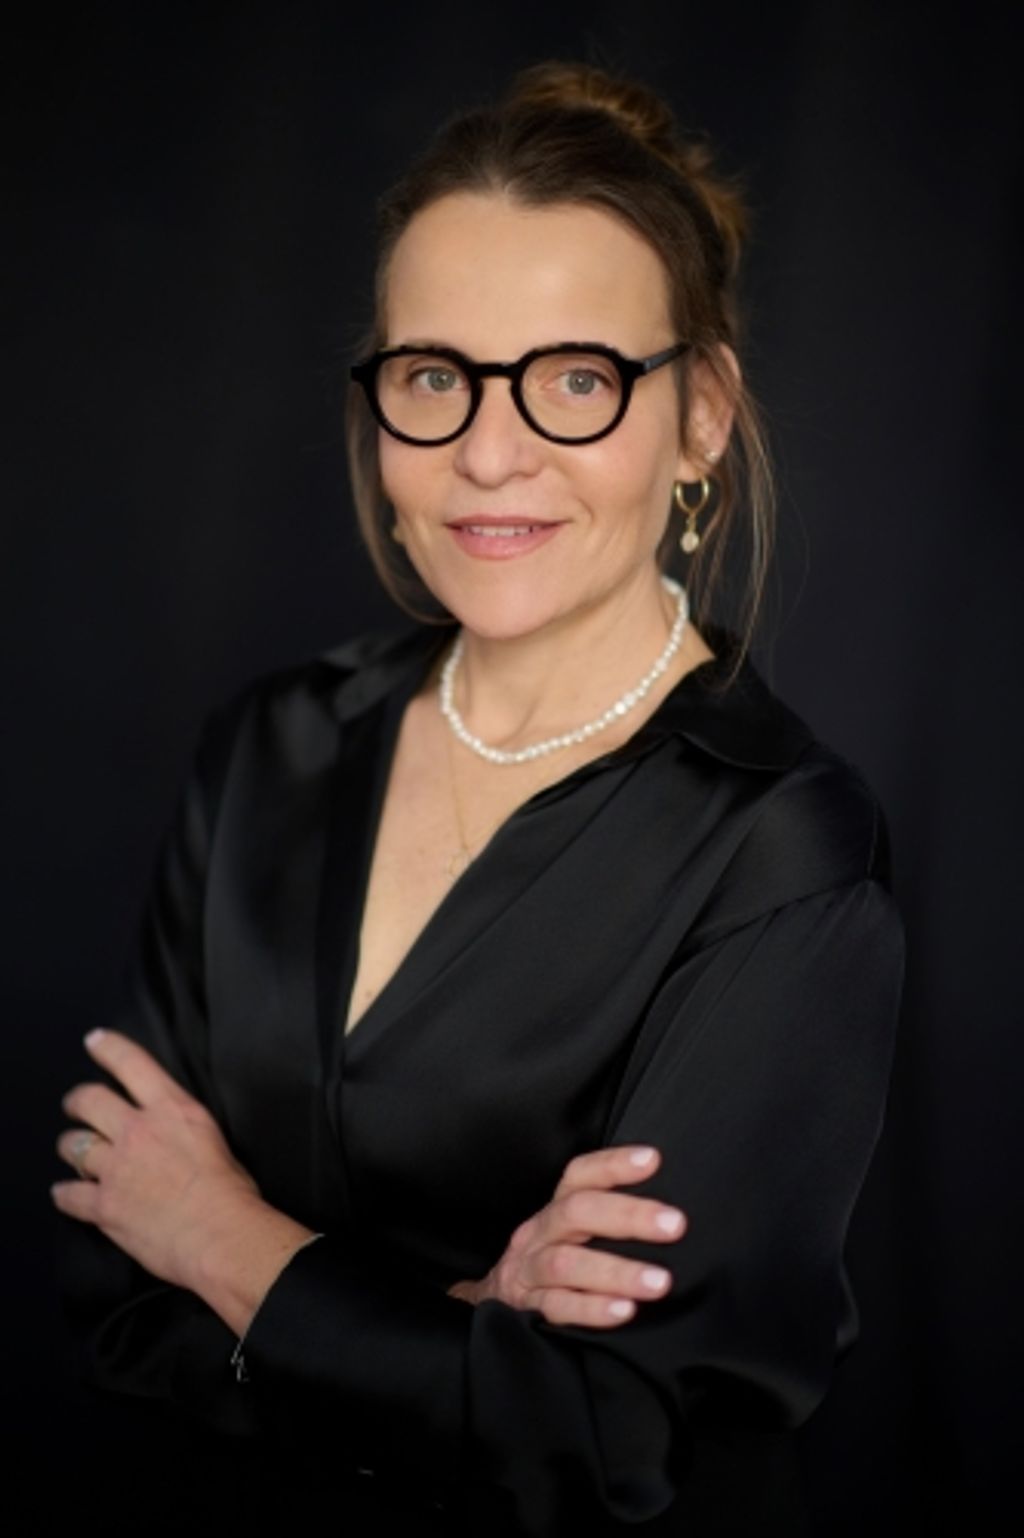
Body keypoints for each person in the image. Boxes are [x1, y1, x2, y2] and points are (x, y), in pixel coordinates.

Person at [53, 61, 905, 1536]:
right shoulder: (270, 745)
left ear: (701, 415)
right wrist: (457, 1330)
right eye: (434, 376)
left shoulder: (782, 848)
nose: (488, 453)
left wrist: (229, 1243)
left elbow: (606, 1432)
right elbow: (114, 1287)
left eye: (576, 378)